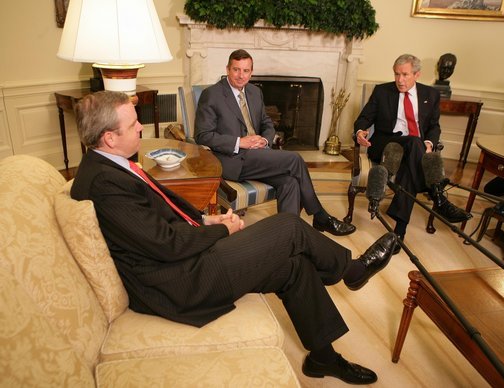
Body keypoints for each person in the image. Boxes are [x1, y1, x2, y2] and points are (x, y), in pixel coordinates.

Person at [71, 90, 397, 385]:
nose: (141, 126)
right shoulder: (103, 182)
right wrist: (221, 229)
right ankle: (351, 271)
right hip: (179, 282)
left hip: (185, 262)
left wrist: (204, 217)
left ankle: (323, 358)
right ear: (110, 138)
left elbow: (158, 217)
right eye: (133, 124)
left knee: (295, 264)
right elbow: (165, 244)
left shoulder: (110, 165)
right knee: (289, 226)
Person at [194, 49, 355, 237]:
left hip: (259, 155)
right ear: (228, 69)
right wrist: (240, 142)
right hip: (233, 159)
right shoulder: (211, 94)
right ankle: (320, 216)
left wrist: (264, 139)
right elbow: (202, 135)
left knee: (290, 182)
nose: (241, 75)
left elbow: (267, 123)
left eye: (246, 71)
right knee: (294, 159)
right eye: (236, 70)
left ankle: (288, 237)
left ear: (251, 72)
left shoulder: (254, 92)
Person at [354, 54, 471, 253]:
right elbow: (364, 118)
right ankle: (438, 196)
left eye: (405, 75)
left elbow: (434, 127)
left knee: (412, 158)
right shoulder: (382, 91)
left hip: (414, 149)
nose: (400, 80)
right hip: (388, 144)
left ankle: (399, 232)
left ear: (417, 74)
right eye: (396, 74)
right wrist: (360, 132)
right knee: (414, 143)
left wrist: (428, 142)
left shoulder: (430, 95)